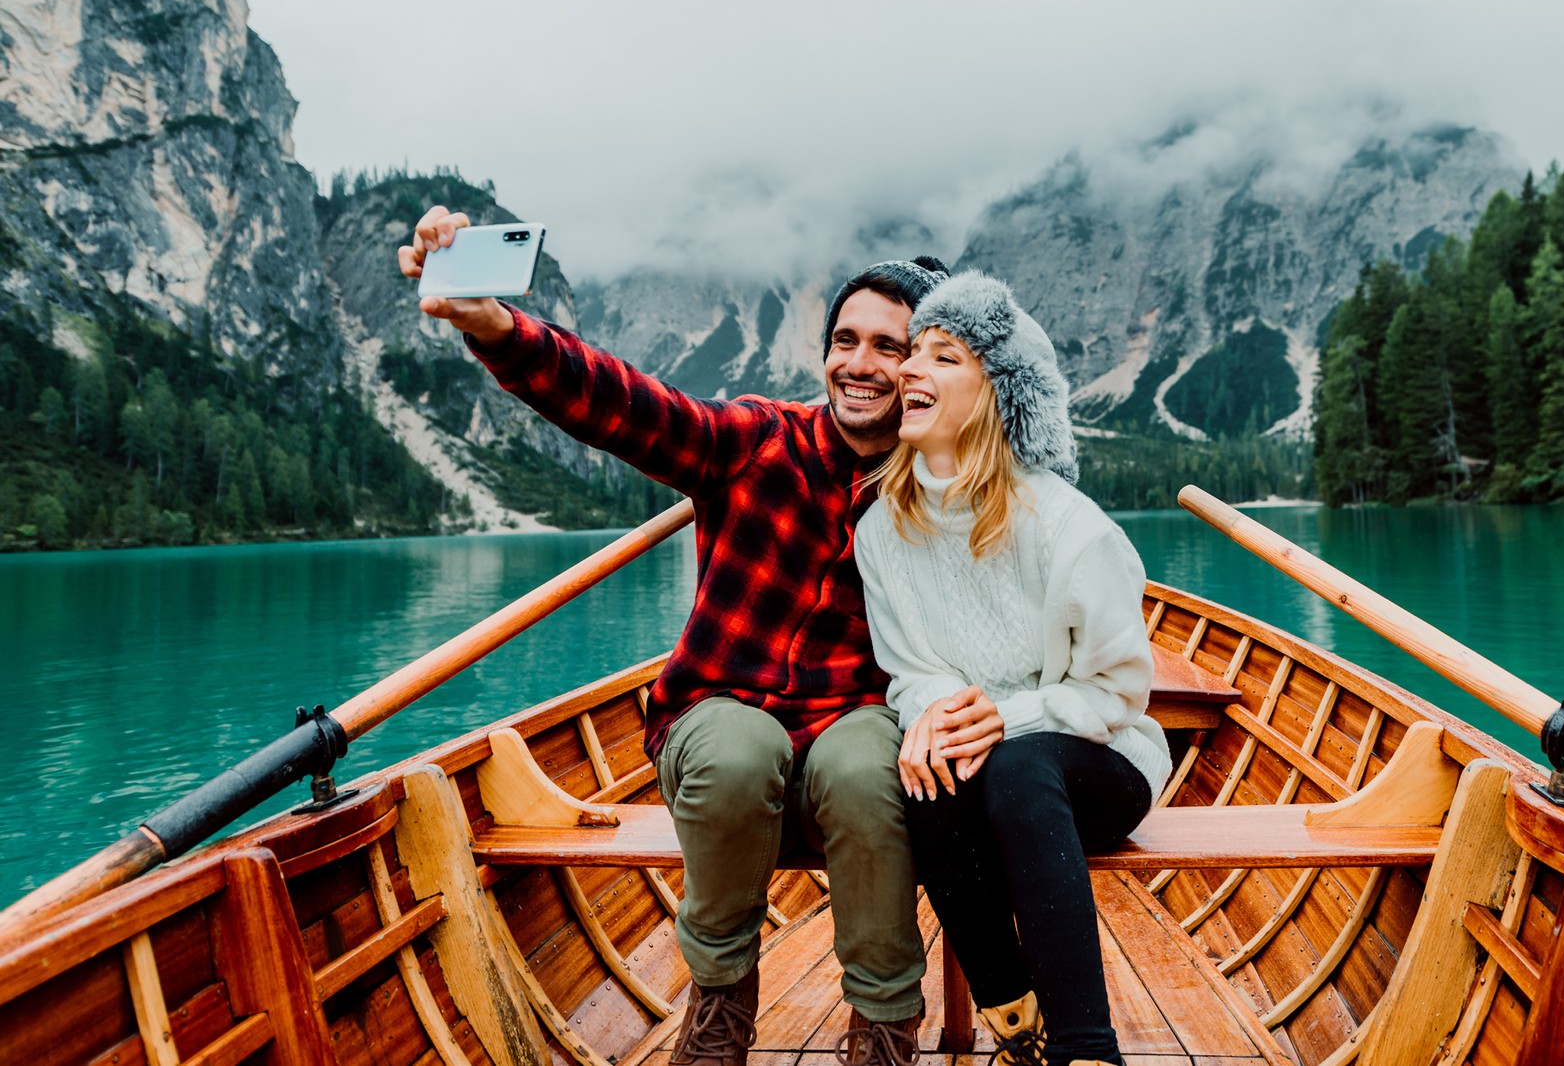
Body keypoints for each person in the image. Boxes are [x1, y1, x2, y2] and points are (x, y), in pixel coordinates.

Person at [399, 205, 947, 1066]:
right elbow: (620, 404)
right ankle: (720, 1009)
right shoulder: (758, 440)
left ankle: (883, 1030)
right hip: (719, 714)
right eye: (846, 340)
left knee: (869, 761)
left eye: (890, 345)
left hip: (851, 728)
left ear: (925, 369)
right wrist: (497, 328)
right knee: (736, 751)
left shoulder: (943, 488)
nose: (859, 363)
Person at [852, 272, 1172, 1066]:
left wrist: (1006, 717)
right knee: (925, 769)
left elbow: (1121, 691)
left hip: (1100, 760)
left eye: (944, 356)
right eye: (911, 354)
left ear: (995, 392)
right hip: (984, 756)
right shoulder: (881, 532)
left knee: (1017, 768)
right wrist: (936, 716)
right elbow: (909, 669)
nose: (908, 371)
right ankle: (1014, 1018)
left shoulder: (1067, 528)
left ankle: (1086, 1050)